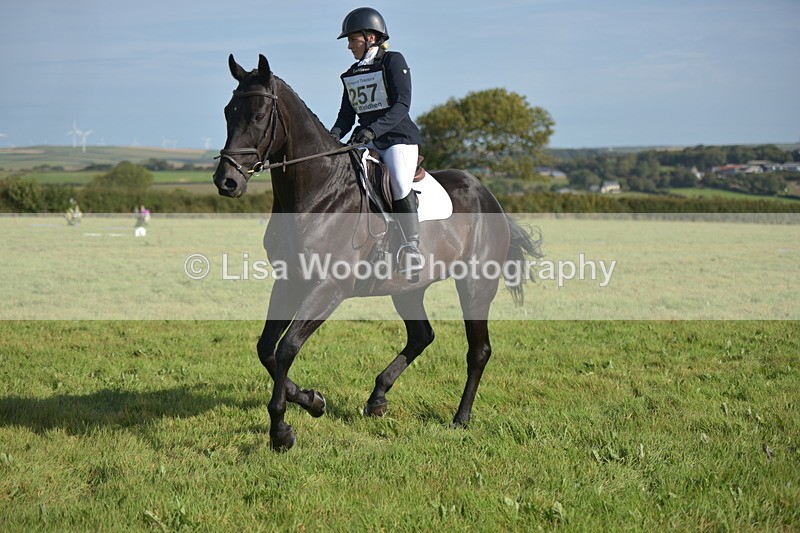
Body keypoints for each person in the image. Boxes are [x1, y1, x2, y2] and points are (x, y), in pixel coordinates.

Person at [330, 7, 424, 275]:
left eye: (353, 39)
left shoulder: (392, 60)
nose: (349, 46)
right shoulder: (352, 72)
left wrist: (373, 130)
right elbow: (346, 116)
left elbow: (402, 105)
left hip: (397, 139)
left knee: (398, 182)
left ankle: (411, 246)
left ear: (370, 37)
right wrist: (333, 136)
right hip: (366, 139)